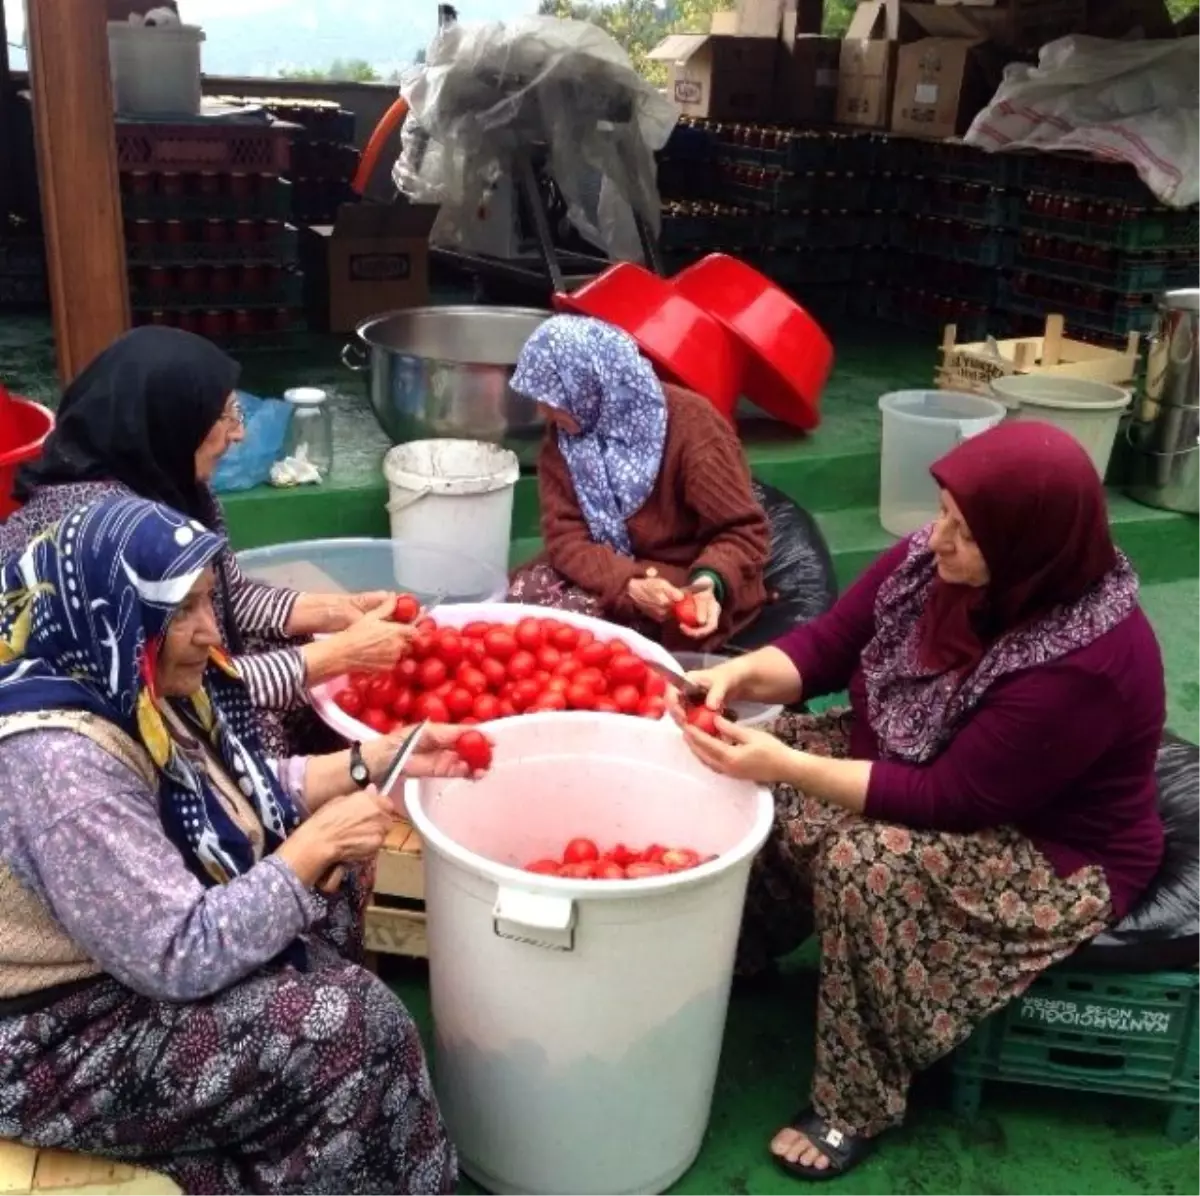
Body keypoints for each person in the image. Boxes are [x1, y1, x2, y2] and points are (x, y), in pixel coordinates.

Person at [674, 422, 1166, 1181]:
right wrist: (734, 679)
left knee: (864, 867)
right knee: (742, 776)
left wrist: (787, 763)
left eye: (967, 534)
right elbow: (829, 644)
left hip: (1048, 848)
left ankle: (855, 1102)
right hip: (923, 754)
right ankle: (740, 952)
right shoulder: (933, 564)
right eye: (943, 513)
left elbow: (952, 798)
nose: (938, 539)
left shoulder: (1087, 661)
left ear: (1026, 550)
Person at [0, 494, 474, 1194]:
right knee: (354, 1027)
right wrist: (306, 851)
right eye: (181, 611)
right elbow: (176, 954)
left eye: (207, 603)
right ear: (116, 615)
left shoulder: (121, 673)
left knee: (339, 894)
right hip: (56, 1033)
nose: (207, 631)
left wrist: (376, 757)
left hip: (122, 955)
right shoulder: (67, 770)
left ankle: (281, 1144)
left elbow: (238, 786)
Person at [1, 326, 415, 757]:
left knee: (296, 647)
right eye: (223, 418)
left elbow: (229, 596)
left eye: (235, 413)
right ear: (170, 419)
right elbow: (180, 693)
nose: (239, 435)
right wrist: (339, 655)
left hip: (180, 681)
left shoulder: (175, 481)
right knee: (270, 725)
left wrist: (337, 612)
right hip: (117, 726)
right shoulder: (110, 541)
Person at [507, 316, 770, 652]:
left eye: (553, 398)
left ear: (591, 384)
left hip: (682, 574)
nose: (544, 410)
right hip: (610, 567)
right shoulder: (569, 435)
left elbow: (744, 532)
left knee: (577, 642)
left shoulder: (694, 430)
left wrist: (709, 582)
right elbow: (566, 536)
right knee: (520, 611)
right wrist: (626, 583)